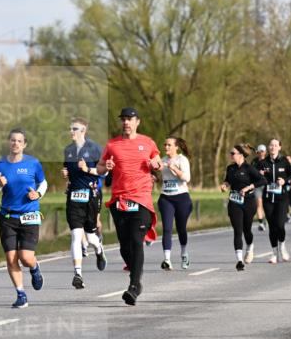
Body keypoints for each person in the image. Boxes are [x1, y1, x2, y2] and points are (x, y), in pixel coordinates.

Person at [97, 107, 161, 305]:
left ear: (137, 122)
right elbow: (100, 167)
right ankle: (135, 274)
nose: (126, 122)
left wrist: (155, 164)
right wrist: (105, 168)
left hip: (141, 199)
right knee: (124, 246)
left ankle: (134, 286)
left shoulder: (148, 142)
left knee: (136, 240)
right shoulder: (112, 144)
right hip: (119, 200)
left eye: (130, 119)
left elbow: (158, 161)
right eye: (123, 119)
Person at [0, 128, 47, 308]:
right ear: (9, 142)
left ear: (24, 144)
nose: (15, 143)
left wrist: (38, 194)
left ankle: (34, 268)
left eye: (19, 141)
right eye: (13, 140)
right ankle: (21, 294)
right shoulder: (0, 165)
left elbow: (43, 183)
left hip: (29, 215)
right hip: (8, 217)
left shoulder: (33, 163)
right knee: (11, 258)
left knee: (26, 257)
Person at [61, 117, 107, 288]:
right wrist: (66, 173)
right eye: (70, 128)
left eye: (75, 129)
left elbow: (104, 172)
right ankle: (78, 274)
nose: (71, 131)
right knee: (75, 235)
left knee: (91, 237)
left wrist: (88, 169)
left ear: (83, 131)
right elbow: (68, 169)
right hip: (74, 197)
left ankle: (99, 249)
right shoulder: (68, 150)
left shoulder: (95, 149)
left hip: (91, 196)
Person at [220, 144, 266, 271]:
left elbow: (263, 180)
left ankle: (250, 246)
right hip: (234, 202)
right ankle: (239, 261)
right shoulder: (230, 168)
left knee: (247, 230)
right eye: (231, 153)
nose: (231, 155)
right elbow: (228, 180)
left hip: (248, 202)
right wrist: (225, 185)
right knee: (237, 230)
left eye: (233, 153)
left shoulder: (249, 168)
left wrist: (249, 187)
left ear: (240, 155)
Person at [157, 137, 193, 270]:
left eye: (169, 145)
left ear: (176, 147)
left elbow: (186, 178)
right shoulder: (162, 160)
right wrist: (154, 176)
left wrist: (174, 168)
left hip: (181, 198)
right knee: (167, 228)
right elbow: (161, 177)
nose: (166, 147)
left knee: (181, 228)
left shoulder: (182, 160)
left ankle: (184, 253)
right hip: (166, 198)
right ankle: (167, 259)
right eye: (165, 145)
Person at [258, 138, 291, 263]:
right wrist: (259, 174)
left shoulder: (284, 161)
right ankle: (274, 253)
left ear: (279, 147)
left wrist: (284, 181)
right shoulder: (263, 162)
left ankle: (282, 246)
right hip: (268, 198)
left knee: (280, 225)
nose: (273, 147)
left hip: (281, 198)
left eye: (275, 145)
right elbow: (255, 177)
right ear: (268, 147)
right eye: (271, 145)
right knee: (272, 227)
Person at [252, 144, 268, 232]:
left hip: (267, 185)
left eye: (262, 151)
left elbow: (272, 171)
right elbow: (250, 172)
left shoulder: (268, 161)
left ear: (265, 152)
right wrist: (258, 172)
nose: (261, 153)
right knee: (259, 204)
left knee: (265, 205)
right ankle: (261, 223)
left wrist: (265, 172)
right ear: (257, 152)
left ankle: (265, 220)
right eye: (259, 151)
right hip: (257, 185)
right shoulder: (254, 161)